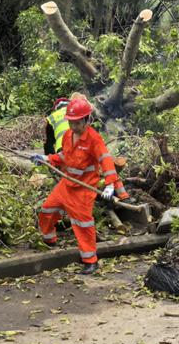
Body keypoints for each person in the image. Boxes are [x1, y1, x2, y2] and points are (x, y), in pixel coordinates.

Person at [31, 97, 122, 274]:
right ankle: (49, 239)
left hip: (84, 188)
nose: (73, 126)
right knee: (47, 209)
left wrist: (111, 185)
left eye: (77, 123)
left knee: (82, 224)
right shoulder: (67, 135)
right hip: (67, 183)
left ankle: (90, 260)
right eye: (71, 122)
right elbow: (65, 156)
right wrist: (47, 159)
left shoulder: (94, 139)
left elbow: (106, 160)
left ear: (87, 120)